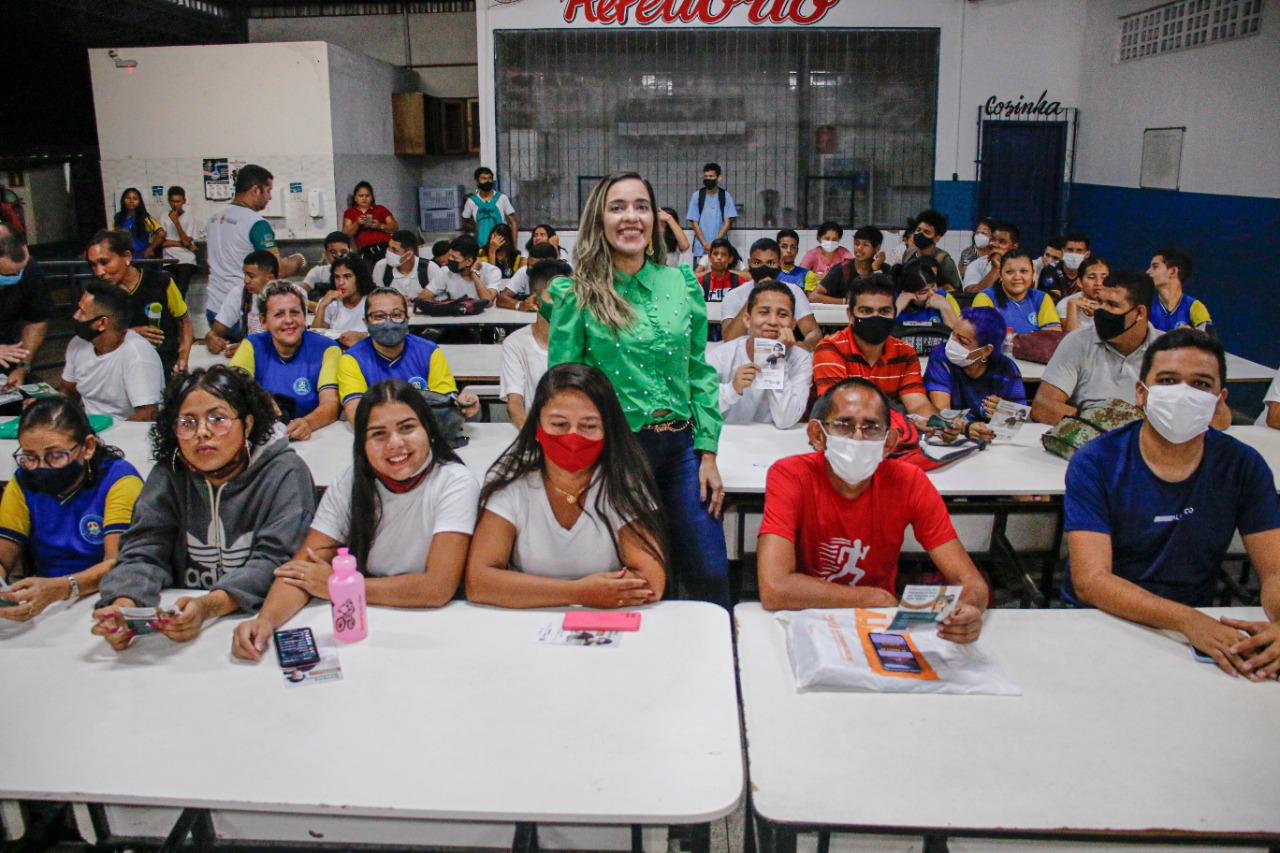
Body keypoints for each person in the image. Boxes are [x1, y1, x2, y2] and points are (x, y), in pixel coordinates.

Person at [548, 171, 729, 608]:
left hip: (682, 451)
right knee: (636, 579)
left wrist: (708, 452)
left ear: (655, 220)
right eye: (618, 207)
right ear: (600, 221)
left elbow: (698, 371)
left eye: (641, 206)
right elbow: (563, 389)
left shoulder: (681, 284)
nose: (631, 217)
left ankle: (711, 669)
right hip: (616, 453)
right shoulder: (577, 293)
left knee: (709, 569)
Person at [1062, 329, 1280, 680]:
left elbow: (1275, 569)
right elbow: (1092, 580)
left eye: (1200, 384)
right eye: (1167, 381)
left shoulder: (1242, 465)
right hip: (1104, 619)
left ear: (1219, 399)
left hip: (1195, 628)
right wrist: (1187, 620)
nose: (1183, 394)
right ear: (1141, 393)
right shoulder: (1097, 461)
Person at [231, 379, 478, 660]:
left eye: (407, 428)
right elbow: (304, 570)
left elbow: (436, 587)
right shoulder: (350, 483)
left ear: (429, 431)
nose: (395, 443)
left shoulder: (454, 482)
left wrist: (341, 586)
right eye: (378, 434)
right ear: (362, 443)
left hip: (435, 628)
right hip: (370, 621)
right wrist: (266, 620)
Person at [91, 366, 316, 649]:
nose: (202, 433)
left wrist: (210, 605)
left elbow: (276, 561)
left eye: (217, 419)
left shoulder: (284, 472)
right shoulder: (169, 472)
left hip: (251, 620)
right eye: (187, 422)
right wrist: (126, 604)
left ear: (247, 424)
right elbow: (143, 550)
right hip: (177, 623)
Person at [755, 377, 988, 639]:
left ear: (889, 443)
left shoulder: (909, 481)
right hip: (806, 614)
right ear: (818, 435)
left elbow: (969, 580)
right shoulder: (790, 474)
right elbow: (775, 587)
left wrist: (967, 609)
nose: (857, 438)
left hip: (879, 621)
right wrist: (872, 597)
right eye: (844, 425)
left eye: (871, 428)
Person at [467, 363, 667, 608]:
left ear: (608, 430)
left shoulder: (623, 481)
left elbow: (650, 583)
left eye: (589, 426)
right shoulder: (512, 478)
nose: (573, 437)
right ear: (537, 427)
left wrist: (523, 589)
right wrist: (578, 593)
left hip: (602, 621)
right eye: (559, 425)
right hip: (526, 620)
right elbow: (479, 582)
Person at [0, 398, 143, 622]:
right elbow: (3, 555)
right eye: (30, 457)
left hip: (109, 598)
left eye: (55, 455)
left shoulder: (120, 480)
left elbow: (119, 564)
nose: (41, 467)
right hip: (46, 604)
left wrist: (64, 586)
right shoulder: (23, 482)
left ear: (87, 447)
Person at [1031, 269, 1226, 431]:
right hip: (1092, 443)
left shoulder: (1169, 352)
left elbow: (1220, 418)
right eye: (1100, 301)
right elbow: (1043, 407)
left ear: (1139, 313)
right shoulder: (1078, 341)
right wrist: (1107, 424)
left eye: (1112, 305)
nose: (1101, 311)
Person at [336, 287, 480, 422]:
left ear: (407, 318)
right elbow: (356, 412)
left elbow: (445, 401)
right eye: (379, 316)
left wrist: (461, 403)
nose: (389, 323)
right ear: (366, 322)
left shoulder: (429, 352)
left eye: (397, 315)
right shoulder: (352, 359)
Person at [229, 281, 341, 440]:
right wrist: (259, 396)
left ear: (304, 316)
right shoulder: (252, 345)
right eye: (279, 314)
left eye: (295, 312)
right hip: (263, 439)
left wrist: (307, 423)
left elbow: (331, 404)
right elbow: (231, 386)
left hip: (314, 438)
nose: (289, 320)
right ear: (263, 322)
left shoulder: (327, 349)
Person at [813, 275, 937, 417]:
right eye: (866, 311)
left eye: (884, 311)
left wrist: (935, 424)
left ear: (894, 314)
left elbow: (918, 404)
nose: (876, 318)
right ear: (850, 315)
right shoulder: (831, 349)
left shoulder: (905, 352)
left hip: (892, 433)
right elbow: (839, 408)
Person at [85, 228, 193, 378]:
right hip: (123, 368)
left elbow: (184, 323)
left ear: (127, 256)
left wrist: (182, 358)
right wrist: (131, 334)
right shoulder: (98, 294)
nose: (99, 271)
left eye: (105, 262)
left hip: (165, 364)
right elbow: (93, 336)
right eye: (93, 265)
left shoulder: (162, 282)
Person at [205, 165, 305, 326]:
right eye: (268, 190)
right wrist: (299, 260)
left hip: (214, 307)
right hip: (241, 310)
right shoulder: (255, 223)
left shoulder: (214, 218)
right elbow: (276, 269)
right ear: (255, 190)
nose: (270, 197)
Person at [708, 281, 812, 428]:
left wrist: (775, 357)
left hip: (779, 444)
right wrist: (732, 388)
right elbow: (700, 407)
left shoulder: (801, 359)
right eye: (764, 312)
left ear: (793, 324)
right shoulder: (721, 356)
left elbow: (786, 420)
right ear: (747, 319)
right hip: (727, 441)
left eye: (782, 315)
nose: (773, 321)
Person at [60, 282, 165, 422]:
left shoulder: (138, 356)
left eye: (82, 312)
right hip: (89, 431)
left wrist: (110, 437)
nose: (76, 316)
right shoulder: (78, 344)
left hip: (127, 434)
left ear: (102, 323)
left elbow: (147, 414)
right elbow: (68, 390)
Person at [923, 306, 1027, 432]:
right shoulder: (941, 357)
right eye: (953, 334)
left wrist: (1004, 412)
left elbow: (1020, 416)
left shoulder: (1006, 369)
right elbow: (942, 412)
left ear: (986, 351)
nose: (952, 342)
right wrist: (967, 428)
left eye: (962, 341)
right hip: (954, 435)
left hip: (992, 438)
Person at [501, 259, 571, 428]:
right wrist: (537, 440)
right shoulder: (516, 344)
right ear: (535, 300)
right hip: (537, 433)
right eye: (554, 296)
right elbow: (515, 405)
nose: (565, 303)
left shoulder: (585, 339)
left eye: (570, 296)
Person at [720, 238, 822, 352]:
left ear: (780, 263)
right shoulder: (734, 295)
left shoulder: (794, 292)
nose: (764, 268)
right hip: (745, 356)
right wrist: (757, 294)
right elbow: (729, 339)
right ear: (749, 263)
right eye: (757, 263)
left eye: (770, 263)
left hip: (784, 354)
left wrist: (806, 345)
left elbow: (814, 332)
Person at [0, 223, 54, 399]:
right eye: (7, 274)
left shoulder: (30, 269)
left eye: (20, 271)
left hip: (8, 355)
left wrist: (23, 367)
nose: (16, 277)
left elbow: (36, 319)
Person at [205, 250, 279, 357]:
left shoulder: (290, 297)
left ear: (270, 278)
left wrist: (251, 348)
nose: (246, 280)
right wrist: (211, 339)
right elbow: (214, 332)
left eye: (251, 276)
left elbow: (293, 342)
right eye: (245, 275)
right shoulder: (239, 294)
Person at [971, 249, 1062, 334]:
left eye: (1024, 271)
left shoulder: (1042, 298)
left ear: (1032, 273)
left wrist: (1018, 338)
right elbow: (982, 335)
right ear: (1000, 275)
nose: (1017, 277)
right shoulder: (985, 298)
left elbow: (1052, 336)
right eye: (1010, 272)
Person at [810, 226, 885, 304]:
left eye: (865, 245)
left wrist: (876, 269)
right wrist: (845, 301)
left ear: (877, 248)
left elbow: (886, 298)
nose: (859, 248)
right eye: (856, 244)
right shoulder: (841, 269)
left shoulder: (884, 269)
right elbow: (813, 296)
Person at [312, 254, 374, 345]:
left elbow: (385, 335)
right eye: (337, 277)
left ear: (360, 278)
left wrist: (362, 337)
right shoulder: (329, 302)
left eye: (347, 276)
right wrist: (322, 305)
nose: (341, 283)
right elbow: (314, 341)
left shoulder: (373, 301)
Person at [1147, 247, 1212, 333]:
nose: (1147, 272)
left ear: (1173, 272)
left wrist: (1191, 335)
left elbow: (1209, 342)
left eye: (1155, 267)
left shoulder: (1195, 307)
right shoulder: (1147, 309)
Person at [686, 162, 737, 266]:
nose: (708, 179)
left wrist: (714, 244)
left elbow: (727, 223)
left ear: (719, 178)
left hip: (720, 249)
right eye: (706, 176)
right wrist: (705, 244)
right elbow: (694, 223)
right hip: (701, 249)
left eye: (711, 176)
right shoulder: (697, 196)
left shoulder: (725, 196)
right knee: (699, 278)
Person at [426, 234, 501, 304]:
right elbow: (423, 297)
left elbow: (488, 302)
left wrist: (474, 273)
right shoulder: (445, 271)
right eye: (450, 255)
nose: (450, 259)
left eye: (454, 257)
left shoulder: (492, 271)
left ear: (468, 261)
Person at [900, 209, 962, 292]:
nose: (920, 234)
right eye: (918, 230)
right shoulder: (908, 253)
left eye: (926, 232)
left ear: (937, 238)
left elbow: (956, 291)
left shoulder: (944, 260)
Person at [341, 181, 399, 264]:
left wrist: (379, 226)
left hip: (386, 248)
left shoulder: (380, 209)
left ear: (372, 197)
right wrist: (357, 223)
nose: (364, 198)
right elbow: (345, 234)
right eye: (361, 196)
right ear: (355, 198)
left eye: (367, 196)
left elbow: (395, 227)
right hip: (366, 252)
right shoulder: (350, 212)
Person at [894, 258, 960, 329]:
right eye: (924, 292)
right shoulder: (892, 300)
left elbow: (959, 337)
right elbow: (881, 335)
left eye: (933, 286)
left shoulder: (945, 297)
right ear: (906, 292)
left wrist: (946, 307)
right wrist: (897, 308)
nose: (931, 293)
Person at [462, 166, 518, 250]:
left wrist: (514, 246)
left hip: (502, 244)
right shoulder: (471, 201)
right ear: (477, 181)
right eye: (484, 179)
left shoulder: (501, 198)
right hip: (481, 246)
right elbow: (464, 222)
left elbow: (513, 221)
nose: (487, 181)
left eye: (490, 178)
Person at [160, 186, 199, 295]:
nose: (175, 205)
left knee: (181, 289)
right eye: (172, 201)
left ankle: (181, 312)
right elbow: (162, 242)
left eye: (178, 201)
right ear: (169, 201)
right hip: (168, 259)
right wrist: (183, 244)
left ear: (184, 201)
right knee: (170, 292)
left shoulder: (190, 218)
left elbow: (187, 242)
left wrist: (176, 222)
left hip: (186, 259)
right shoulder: (163, 217)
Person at [963, 222, 1021, 294]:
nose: (994, 244)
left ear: (1014, 247)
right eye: (993, 239)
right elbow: (971, 294)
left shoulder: (1024, 265)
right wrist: (995, 268)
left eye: (1002, 242)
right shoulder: (976, 265)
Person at [371, 230, 431, 299]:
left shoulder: (429, 268)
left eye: (395, 250)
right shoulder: (381, 267)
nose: (389, 252)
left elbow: (439, 302)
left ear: (409, 254)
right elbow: (378, 299)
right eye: (389, 247)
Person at [498, 242, 558, 310]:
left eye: (533, 266)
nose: (529, 268)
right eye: (528, 264)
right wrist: (520, 305)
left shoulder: (564, 275)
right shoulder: (523, 272)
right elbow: (501, 298)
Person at [1057, 256, 1109, 333]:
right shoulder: (1064, 305)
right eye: (1092, 277)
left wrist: (1098, 315)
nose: (1099, 283)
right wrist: (1072, 305)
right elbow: (1072, 340)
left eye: (1104, 277)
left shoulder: (1117, 304)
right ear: (1079, 282)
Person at [112, 188, 164, 259]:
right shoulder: (117, 217)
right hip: (122, 258)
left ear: (139, 202)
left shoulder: (145, 218)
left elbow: (161, 233)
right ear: (123, 201)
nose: (131, 201)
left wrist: (150, 249)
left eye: (135, 199)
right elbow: (112, 236)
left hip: (140, 258)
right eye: (128, 198)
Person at [1038, 231, 1091, 301]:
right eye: (1070, 250)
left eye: (1079, 250)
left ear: (1087, 254)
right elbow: (1051, 302)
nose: (1074, 254)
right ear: (1063, 252)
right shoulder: (1050, 271)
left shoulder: (1090, 274)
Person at [300, 231, 352, 302]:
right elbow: (299, 292)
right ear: (326, 254)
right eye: (333, 252)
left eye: (343, 252)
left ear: (350, 252)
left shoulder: (357, 273)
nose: (339, 256)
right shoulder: (318, 272)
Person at [697, 237, 744, 303]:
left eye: (723, 254)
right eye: (715, 254)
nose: (719, 257)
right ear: (710, 257)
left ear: (730, 259)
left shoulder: (740, 281)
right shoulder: (701, 282)